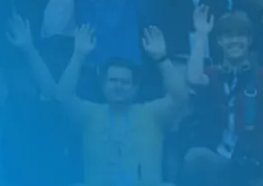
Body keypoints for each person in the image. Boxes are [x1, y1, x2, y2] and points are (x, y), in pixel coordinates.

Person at [45, 24, 188, 186]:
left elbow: (180, 98)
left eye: (125, 82)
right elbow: (63, 98)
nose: (118, 86)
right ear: (103, 84)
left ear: (135, 87)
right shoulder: (89, 114)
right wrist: (78, 56)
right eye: (113, 80)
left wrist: (162, 59)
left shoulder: (152, 114)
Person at [184, 6, 263, 186]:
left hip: (256, 163)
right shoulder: (213, 74)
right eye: (228, 36)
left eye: (241, 35)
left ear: (249, 40)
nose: (235, 40)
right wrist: (201, 35)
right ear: (220, 40)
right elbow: (193, 78)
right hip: (222, 160)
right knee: (195, 156)